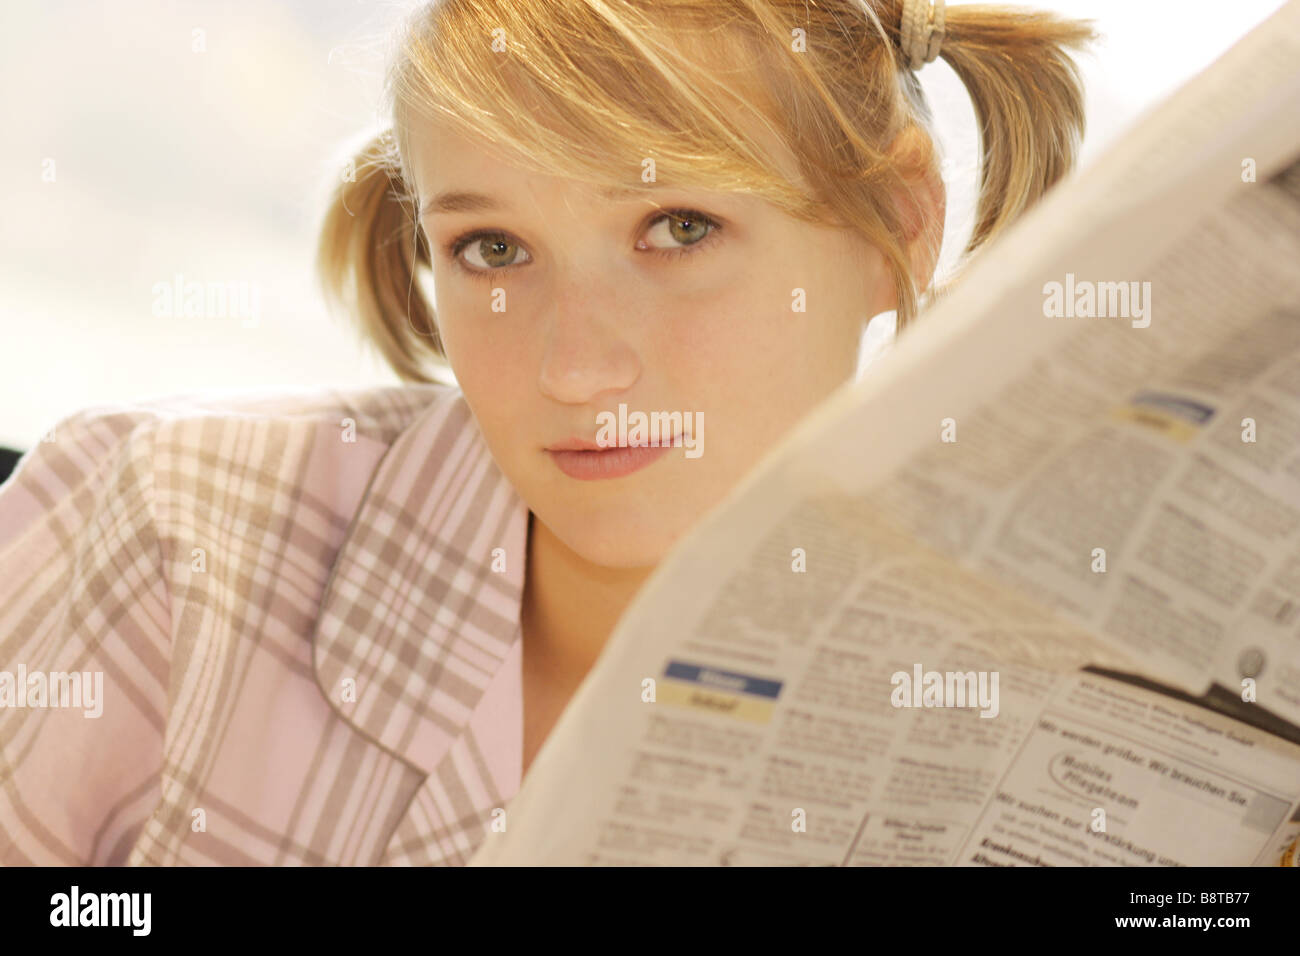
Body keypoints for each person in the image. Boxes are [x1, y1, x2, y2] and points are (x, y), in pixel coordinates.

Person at [0, 0, 1093, 865]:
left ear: (895, 218)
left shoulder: (1040, 730)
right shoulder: (160, 528)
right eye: (492, 249)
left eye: (679, 227)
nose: (574, 368)